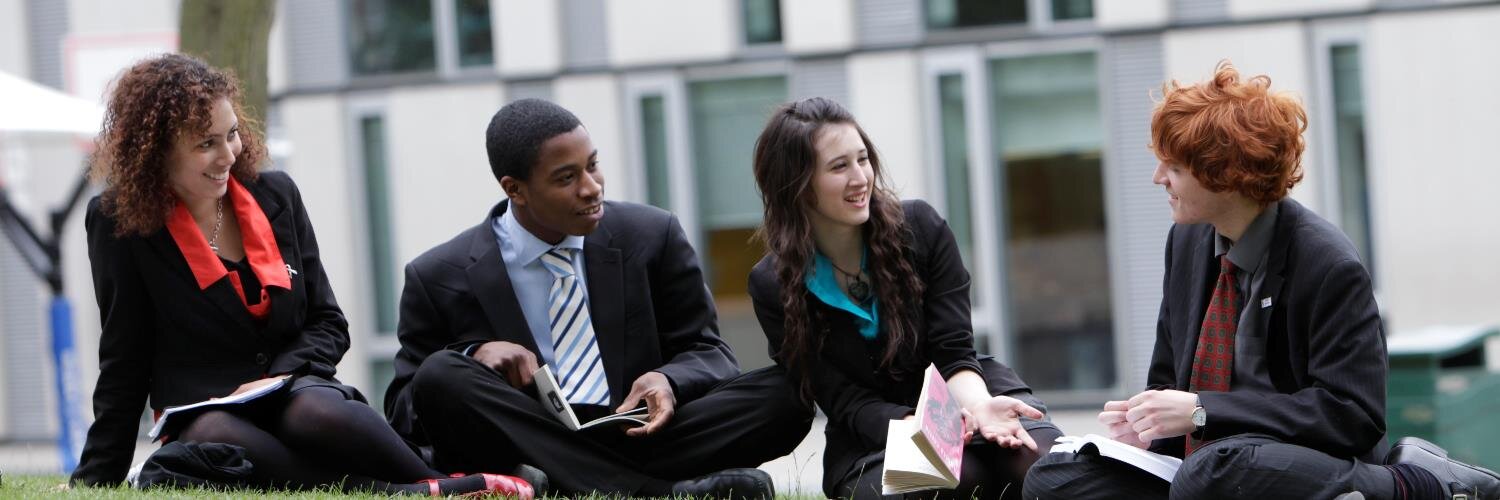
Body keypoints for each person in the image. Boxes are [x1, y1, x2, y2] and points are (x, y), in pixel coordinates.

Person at [1023, 61, 1500, 499]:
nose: (1157, 179)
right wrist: (1147, 424)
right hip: (1207, 467)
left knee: (1209, 474)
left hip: (1295, 461)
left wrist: (1202, 411)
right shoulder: (1186, 244)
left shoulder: (1328, 264)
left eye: (1174, 168)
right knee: (1053, 477)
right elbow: (1170, 378)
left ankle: (1408, 485)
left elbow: (1352, 416)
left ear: (1223, 176)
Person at [69, 53, 532, 497]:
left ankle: (431, 477)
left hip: (295, 388)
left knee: (317, 412)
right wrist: (95, 478)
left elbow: (329, 323)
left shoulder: (276, 195)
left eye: (231, 134)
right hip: (203, 412)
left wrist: (280, 376)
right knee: (219, 438)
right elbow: (124, 358)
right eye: (204, 144)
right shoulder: (119, 225)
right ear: (157, 153)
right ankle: (431, 491)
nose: (227, 155)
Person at [384, 98, 813, 498]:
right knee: (442, 371)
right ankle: (664, 494)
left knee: (785, 395)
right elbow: (408, 410)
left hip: (644, 434)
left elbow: (710, 352)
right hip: (528, 435)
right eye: (566, 178)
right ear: (515, 189)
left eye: (593, 166)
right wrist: (474, 355)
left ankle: (571, 484)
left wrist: (667, 379)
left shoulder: (651, 235)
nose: (592, 188)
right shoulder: (438, 275)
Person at [746, 97, 1062, 500]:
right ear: (797, 185)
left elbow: (954, 350)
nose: (860, 177)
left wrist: (979, 407)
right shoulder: (773, 284)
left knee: (1044, 467)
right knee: (951, 481)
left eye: (862, 159)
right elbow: (844, 400)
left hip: (967, 392)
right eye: (839, 167)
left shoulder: (921, 228)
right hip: (877, 434)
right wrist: (922, 425)